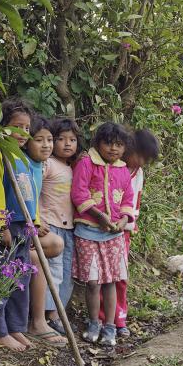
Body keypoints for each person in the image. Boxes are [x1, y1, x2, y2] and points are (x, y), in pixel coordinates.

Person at [0, 99, 40, 352]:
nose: (22, 133)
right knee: (0, 279)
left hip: (22, 227)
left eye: (26, 128)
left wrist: (33, 224)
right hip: (4, 229)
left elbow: (29, 194)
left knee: (19, 280)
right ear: (1, 128)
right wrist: (1, 226)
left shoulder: (23, 159)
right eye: (16, 127)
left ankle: (14, 326)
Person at [70, 122, 135, 347]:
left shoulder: (123, 169)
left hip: (114, 235)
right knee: (93, 282)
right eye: (108, 143)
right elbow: (78, 194)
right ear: (98, 143)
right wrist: (99, 216)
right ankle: (93, 323)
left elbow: (128, 199)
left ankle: (109, 326)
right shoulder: (87, 163)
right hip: (88, 232)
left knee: (110, 282)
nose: (113, 149)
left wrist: (124, 220)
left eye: (118, 145)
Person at [99, 128, 159, 337]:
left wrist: (128, 225)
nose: (141, 162)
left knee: (120, 277)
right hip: (100, 228)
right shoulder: (108, 167)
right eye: (140, 156)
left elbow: (135, 202)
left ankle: (119, 317)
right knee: (101, 276)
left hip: (122, 231)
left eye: (146, 159)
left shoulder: (137, 173)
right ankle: (101, 317)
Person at [21, 115, 66, 346]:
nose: (46, 145)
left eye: (50, 139)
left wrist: (36, 220)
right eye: (39, 140)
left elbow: (33, 201)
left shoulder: (39, 166)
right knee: (37, 258)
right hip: (8, 230)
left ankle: (38, 319)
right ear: (27, 142)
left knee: (56, 244)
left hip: (25, 228)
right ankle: (37, 322)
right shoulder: (23, 165)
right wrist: (33, 223)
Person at [40, 117, 81, 335]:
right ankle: (50, 316)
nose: (67, 144)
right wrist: (38, 218)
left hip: (69, 229)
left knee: (67, 274)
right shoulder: (48, 163)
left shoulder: (74, 167)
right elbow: (34, 190)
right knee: (53, 272)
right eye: (61, 139)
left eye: (72, 140)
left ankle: (60, 313)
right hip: (51, 226)